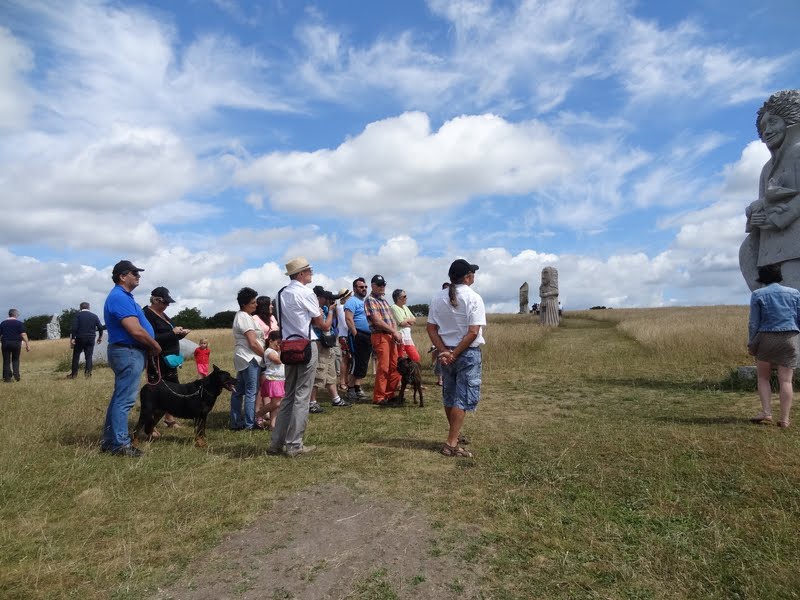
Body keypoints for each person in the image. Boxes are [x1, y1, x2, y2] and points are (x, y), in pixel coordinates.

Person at [741, 89, 800, 291]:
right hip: (769, 250)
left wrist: (780, 217)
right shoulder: (766, 169)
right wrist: (755, 219)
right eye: (763, 126)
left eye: (773, 122)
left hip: (795, 244)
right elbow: (764, 203)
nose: (767, 130)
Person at [427, 259, 486, 459]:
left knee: (450, 395)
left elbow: (431, 328)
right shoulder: (474, 298)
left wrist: (444, 351)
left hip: (446, 354)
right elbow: (472, 332)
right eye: (473, 273)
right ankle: (451, 444)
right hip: (466, 353)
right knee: (462, 398)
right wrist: (454, 353)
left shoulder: (437, 298)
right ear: (468, 277)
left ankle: (455, 435)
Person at [101, 260, 161, 457]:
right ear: (122, 276)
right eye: (134, 273)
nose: (138, 276)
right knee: (125, 400)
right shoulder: (119, 297)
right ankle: (120, 444)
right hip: (128, 351)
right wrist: (154, 345)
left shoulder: (124, 297)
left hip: (129, 352)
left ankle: (110, 441)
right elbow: (134, 330)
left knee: (120, 398)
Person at [268, 257, 325, 458]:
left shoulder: (280, 293)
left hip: (288, 347)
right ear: (301, 274)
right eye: (309, 270)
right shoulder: (307, 293)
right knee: (302, 395)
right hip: (306, 345)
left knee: (289, 395)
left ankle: (276, 443)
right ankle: (294, 444)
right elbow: (320, 323)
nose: (311, 273)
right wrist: (331, 314)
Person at [748, 263, 800, 428]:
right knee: (786, 380)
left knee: (763, 377)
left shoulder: (758, 294)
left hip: (766, 337)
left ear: (762, 278)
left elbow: (753, 323)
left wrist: (751, 342)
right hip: (790, 337)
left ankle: (766, 412)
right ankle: (784, 419)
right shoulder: (795, 293)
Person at [143, 286, 190, 429]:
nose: (167, 305)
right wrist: (172, 333)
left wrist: (180, 333)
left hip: (169, 359)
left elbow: (169, 334)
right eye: (165, 302)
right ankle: (150, 424)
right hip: (158, 359)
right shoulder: (147, 314)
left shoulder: (163, 315)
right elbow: (150, 337)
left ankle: (169, 418)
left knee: (172, 389)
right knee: (156, 390)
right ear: (156, 300)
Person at [364, 274, 403, 406]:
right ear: (373, 286)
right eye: (379, 285)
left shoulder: (384, 301)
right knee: (384, 367)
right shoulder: (370, 300)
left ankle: (389, 394)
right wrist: (394, 332)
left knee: (394, 366)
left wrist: (395, 333)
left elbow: (390, 320)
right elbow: (376, 321)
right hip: (381, 335)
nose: (382, 287)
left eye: (384, 284)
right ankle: (379, 397)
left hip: (391, 336)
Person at [230, 287, 265, 430]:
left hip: (243, 357)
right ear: (244, 304)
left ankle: (236, 421)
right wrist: (266, 355)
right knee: (251, 392)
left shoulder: (245, 316)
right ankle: (249, 423)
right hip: (250, 357)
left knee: (239, 391)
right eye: (253, 303)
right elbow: (252, 342)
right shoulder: (244, 317)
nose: (256, 305)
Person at [310, 286, 350, 410]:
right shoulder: (315, 309)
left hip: (328, 342)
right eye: (327, 298)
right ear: (320, 298)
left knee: (330, 371)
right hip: (319, 342)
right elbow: (325, 326)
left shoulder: (326, 308)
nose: (329, 301)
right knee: (318, 372)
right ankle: (312, 402)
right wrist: (331, 312)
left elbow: (332, 325)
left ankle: (336, 398)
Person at [344, 277, 372, 402]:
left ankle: (357, 387)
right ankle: (350, 389)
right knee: (356, 362)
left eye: (365, 287)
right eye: (361, 287)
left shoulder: (365, 302)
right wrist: (356, 334)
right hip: (358, 335)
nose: (364, 289)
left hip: (367, 336)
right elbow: (348, 319)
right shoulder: (352, 301)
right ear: (355, 288)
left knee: (363, 362)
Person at [253, 296, 278, 427]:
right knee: (263, 385)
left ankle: (268, 411)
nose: (272, 307)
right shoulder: (255, 319)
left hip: (275, 352)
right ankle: (258, 413)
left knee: (273, 384)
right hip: (263, 353)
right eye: (270, 305)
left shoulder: (272, 318)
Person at [256, 331, 285, 431]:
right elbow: (278, 361)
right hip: (272, 379)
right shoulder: (268, 351)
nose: (278, 345)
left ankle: (273, 425)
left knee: (276, 404)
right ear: (270, 341)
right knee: (276, 403)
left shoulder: (276, 351)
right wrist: (281, 351)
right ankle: (259, 414)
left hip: (280, 379)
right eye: (277, 343)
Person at [68, 302, 103, 379]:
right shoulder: (94, 316)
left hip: (80, 338)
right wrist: (100, 337)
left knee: (76, 356)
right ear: (89, 307)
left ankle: (74, 375)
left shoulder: (77, 315)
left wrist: (73, 338)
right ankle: (88, 374)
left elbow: (74, 328)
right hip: (91, 338)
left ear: (80, 307)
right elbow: (100, 327)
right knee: (89, 356)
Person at [390, 288, 421, 362]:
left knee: (415, 358)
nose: (406, 298)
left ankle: (410, 372)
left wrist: (407, 321)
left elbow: (414, 319)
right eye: (404, 296)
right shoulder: (393, 307)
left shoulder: (405, 307)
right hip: (400, 337)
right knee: (400, 358)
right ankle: (401, 373)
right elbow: (401, 323)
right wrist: (408, 320)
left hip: (408, 337)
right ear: (398, 298)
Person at [0, 309, 29, 383]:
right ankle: (16, 374)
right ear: (15, 314)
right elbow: (23, 334)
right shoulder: (19, 323)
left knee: (6, 361)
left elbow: (1, 335)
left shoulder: (3, 323)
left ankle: (7, 378)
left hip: (5, 343)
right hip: (16, 343)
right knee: (15, 359)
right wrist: (27, 344)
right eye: (18, 314)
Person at [335, 288, 352, 394]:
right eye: (350, 294)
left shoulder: (343, 307)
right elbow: (345, 323)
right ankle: (342, 382)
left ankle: (345, 381)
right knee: (345, 359)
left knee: (348, 359)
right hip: (344, 335)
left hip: (345, 335)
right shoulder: (341, 308)